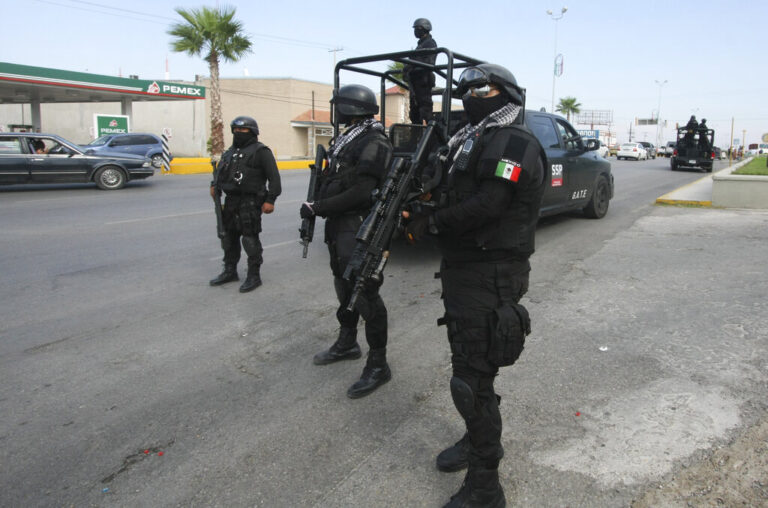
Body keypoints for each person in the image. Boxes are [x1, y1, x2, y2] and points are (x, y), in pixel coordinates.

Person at [404, 63, 547, 507]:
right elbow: (454, 193)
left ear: (506, 93)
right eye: (462, 87)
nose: (468, 94)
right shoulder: (469, 139)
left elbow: (490, 203)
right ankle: (477, 439)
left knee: (471, 380)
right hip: (465, 269)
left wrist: (431, 224)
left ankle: (486, 486)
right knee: (472, 367)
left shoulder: (515, 141)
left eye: (478, 87)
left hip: (493, 271)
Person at [300, 84, 394, 398]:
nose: (335, 110)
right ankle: (347, 342)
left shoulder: (374, 142)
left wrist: (320, 207)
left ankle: (378, 364)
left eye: (339, 106)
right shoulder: (346, 140)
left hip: (360, 226)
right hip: (339, 226)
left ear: (351, 107)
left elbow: (362, 191)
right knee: (343, 287)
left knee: (365, 294)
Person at [209, 116, 281, 293]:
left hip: (250, 202)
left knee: (249, 240)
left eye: (243, 130)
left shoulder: (261, 151)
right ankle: (230, 270)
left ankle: (254, 275)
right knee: (228, 238)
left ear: (253, 132)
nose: (239, 133)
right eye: (236, 130)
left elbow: (274, 179)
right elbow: (220, 173)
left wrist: (270, 200)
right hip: (230, 201)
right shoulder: (230, 152)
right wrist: (214, 186)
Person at [404, 18, 437, 125]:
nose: (415, 31)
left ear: (424, 29)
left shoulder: (430, 43)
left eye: (417, 29)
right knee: (414, 113)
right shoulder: (420, 45)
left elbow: (429, 62)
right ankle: (416, 137)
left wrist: (412, 64)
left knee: (425, 112)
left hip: (423, 82)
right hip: (415, 83)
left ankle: (432, 137)